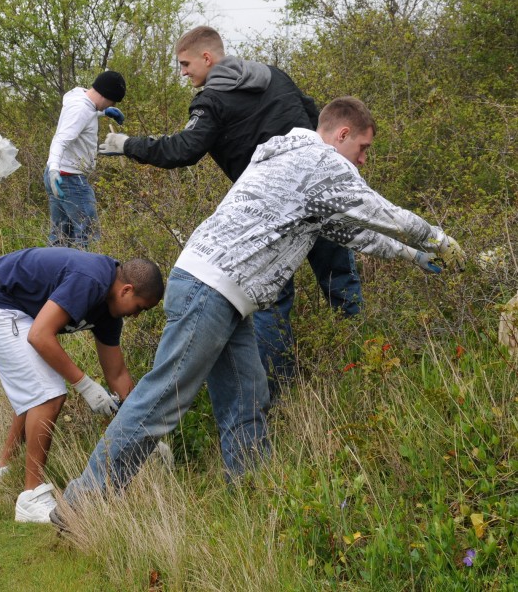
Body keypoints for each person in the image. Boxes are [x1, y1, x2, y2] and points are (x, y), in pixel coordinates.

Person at [54, 97, 465, 522]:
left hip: (221, 295)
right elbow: (383, 213)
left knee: (248, 401)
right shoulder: (322, 162)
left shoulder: (290, 161)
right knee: (160, 403)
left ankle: (255, 507)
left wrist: (414, 257)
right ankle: (82, 505)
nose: (362, 160)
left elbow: (354, 232)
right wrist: (441, 242)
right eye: (362, 148)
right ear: (342, 134)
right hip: (210, 291)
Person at [98, 25, 362, 400]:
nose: (183, 72)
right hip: (318, 196)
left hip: (270, 215)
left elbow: (184, 149)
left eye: (185, 64)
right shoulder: (274, 76)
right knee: (339, 276)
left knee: (271, 298)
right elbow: (316, 118)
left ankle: (278, 391)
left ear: (207, 58)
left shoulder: (213, 100)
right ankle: (363, 361)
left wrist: (130, 146)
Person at [0, 247, 164, 523]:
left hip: (3, 305)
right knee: (49, 395)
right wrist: (85, 385)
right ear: (126, 290)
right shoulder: (90, 281)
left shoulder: (109, 311)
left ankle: (4, 469)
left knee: (35, 386)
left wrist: (146, 430)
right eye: (140, 308)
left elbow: (118, 375)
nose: (136, 315)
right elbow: (40, 336)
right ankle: (32, 498)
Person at [44, 71, 127, 249]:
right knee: (88, 233)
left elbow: (84, 112)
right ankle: (86, 274)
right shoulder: (81, 109)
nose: (112, 104)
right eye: (112, 101)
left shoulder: (77, 96)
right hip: (68, 178)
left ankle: (53, 273)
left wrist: (103, 112)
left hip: (59, 175)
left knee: (60, 235)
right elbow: (60, 140)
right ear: (106, 95)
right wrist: (54, 171)